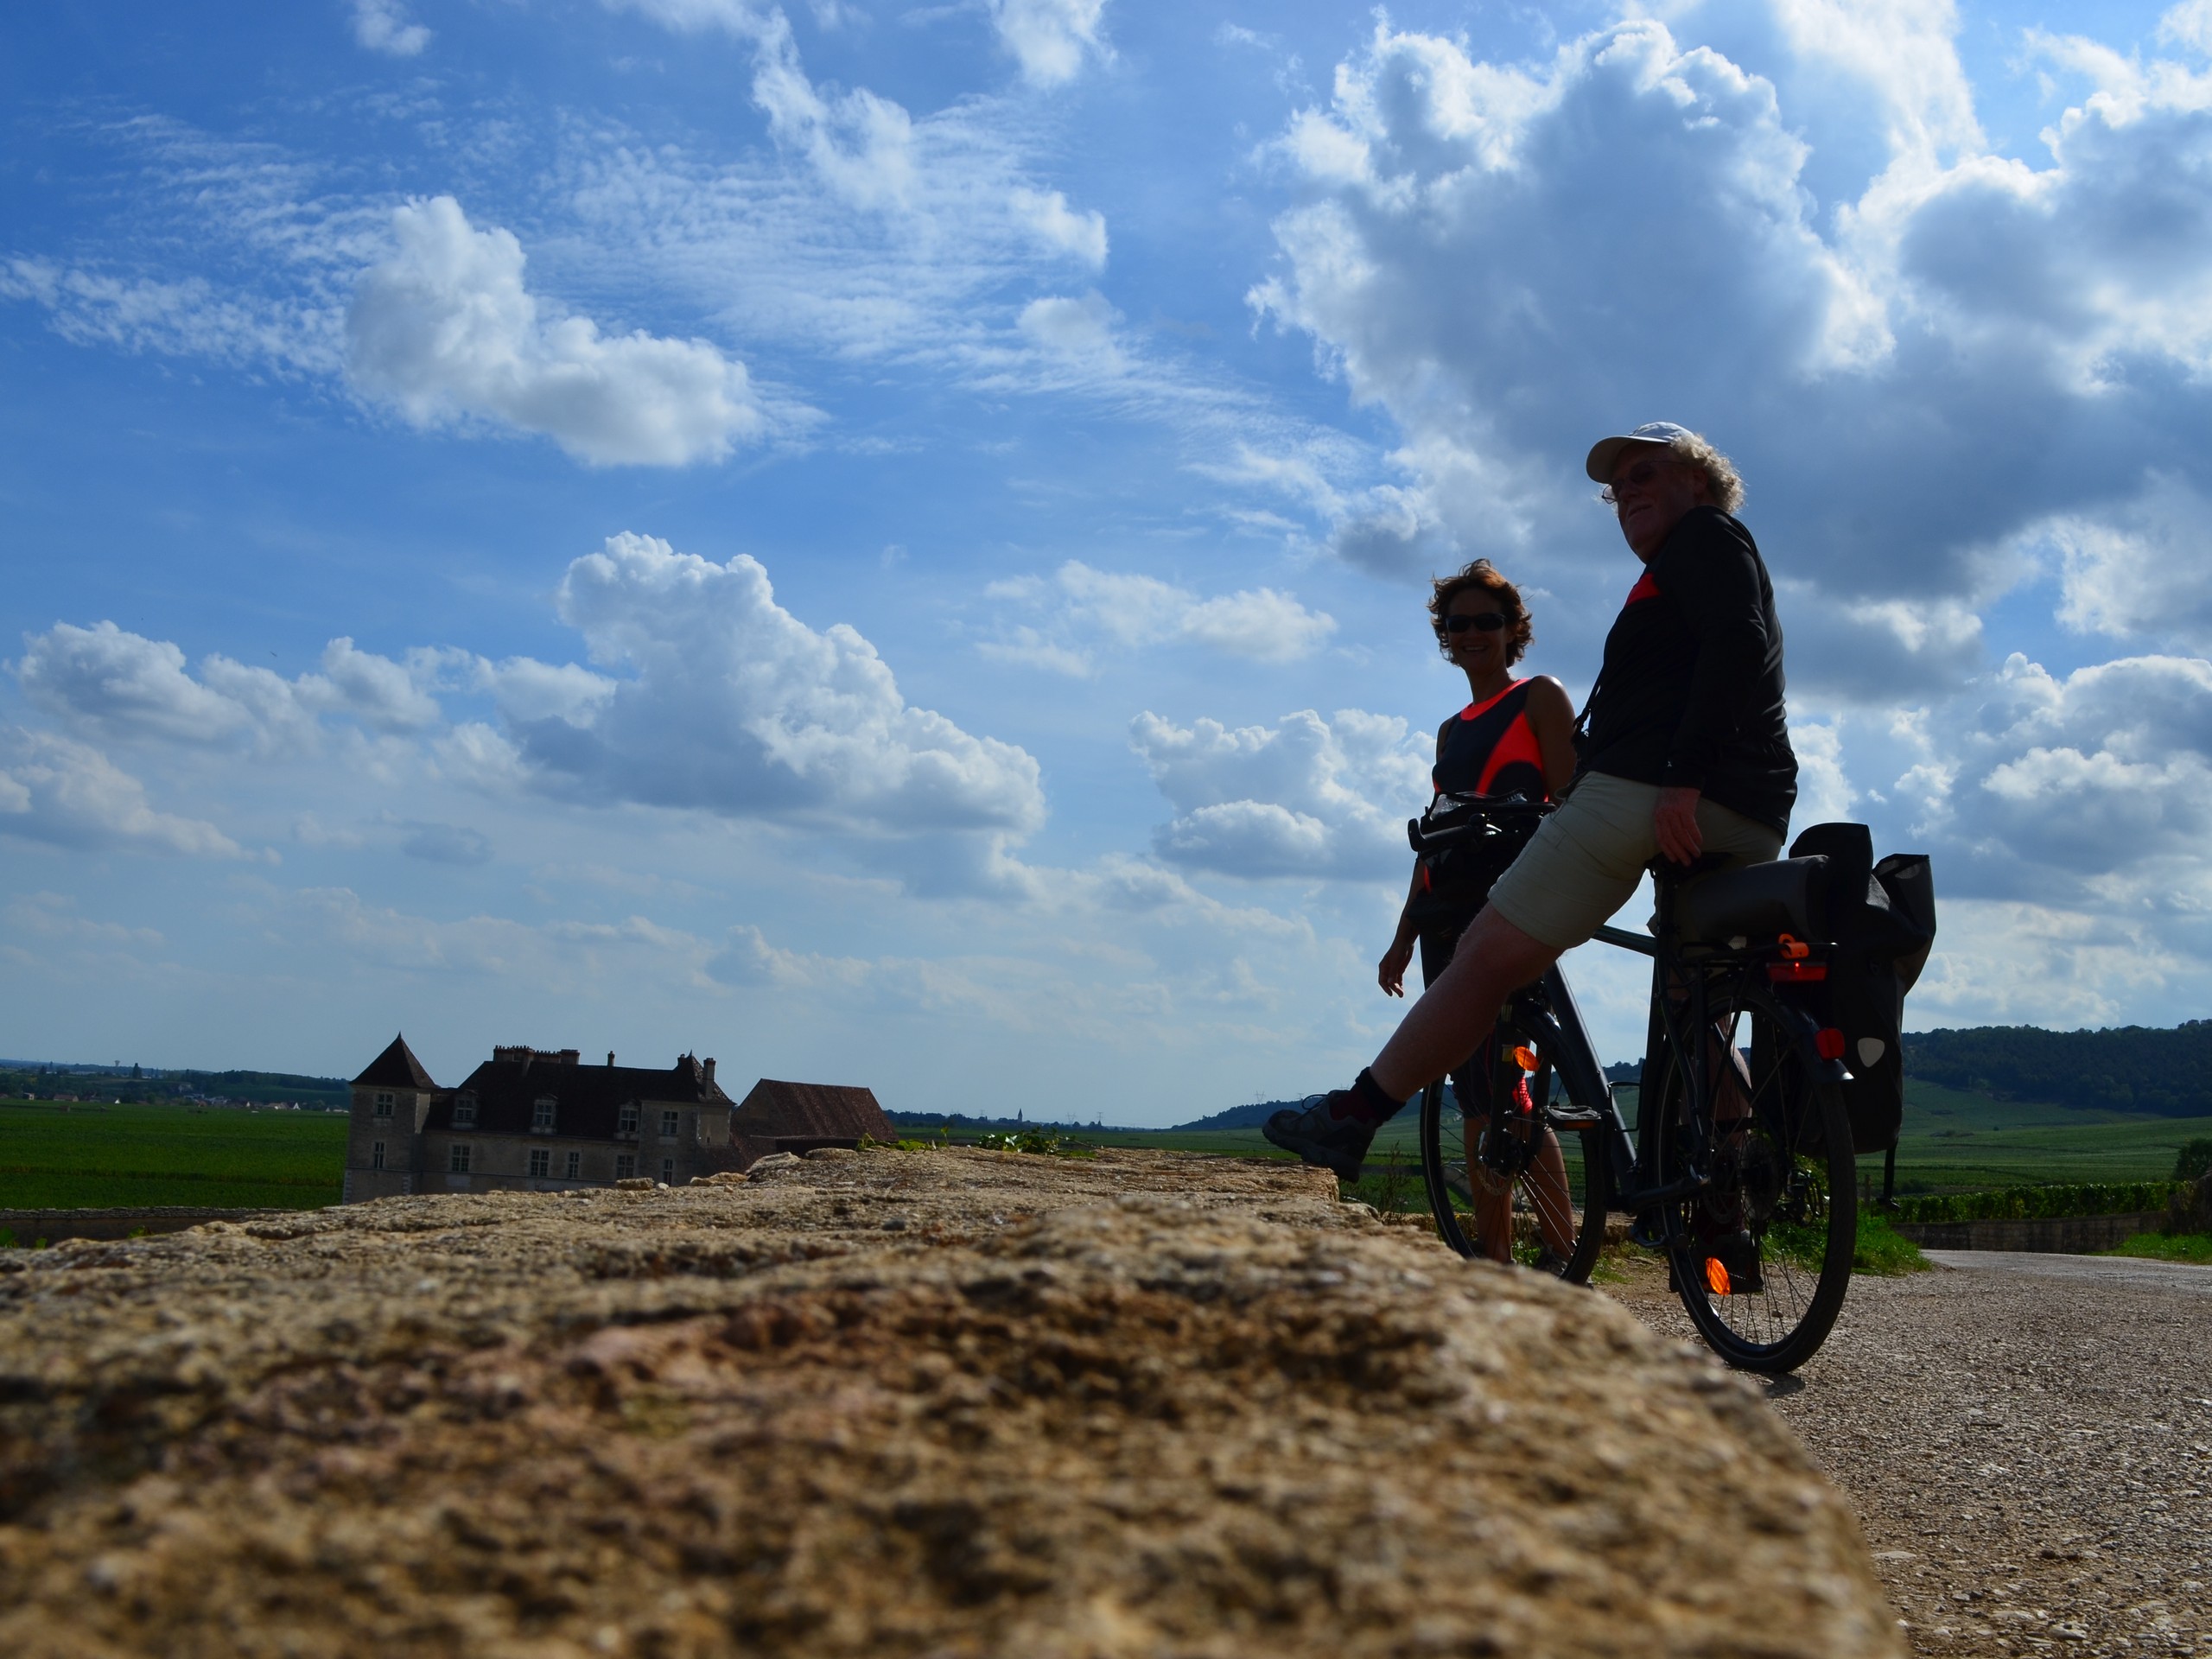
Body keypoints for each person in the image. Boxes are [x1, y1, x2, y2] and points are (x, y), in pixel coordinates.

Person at [1265, 422, 1796, 1188]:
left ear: (1702, 483)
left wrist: (1682, 779)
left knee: (1486, 956)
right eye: (1619, 489)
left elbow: (1737, 647)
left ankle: (1353, 1116)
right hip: (1751, 810)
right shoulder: (1706, 560)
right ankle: (1729, 1190)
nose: (1628, 495)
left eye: (1648, 473)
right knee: (1698, 1005)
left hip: (1656, 793)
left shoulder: (1706, 538)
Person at [1273, 561, 1580, 1260]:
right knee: (1479, 1095)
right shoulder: (1450, 732)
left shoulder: (1539, 698)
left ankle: (1564, 1254)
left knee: (1516, 1089)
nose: (1472, 635)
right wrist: (1402, 935)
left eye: (1487, 622)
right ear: (1445, 637)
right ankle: (1494, 1258)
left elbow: (1572, 802)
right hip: (1449, 913)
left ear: (1513, 631)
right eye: (1457, 624)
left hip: (1516, 906)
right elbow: (1434, 837)